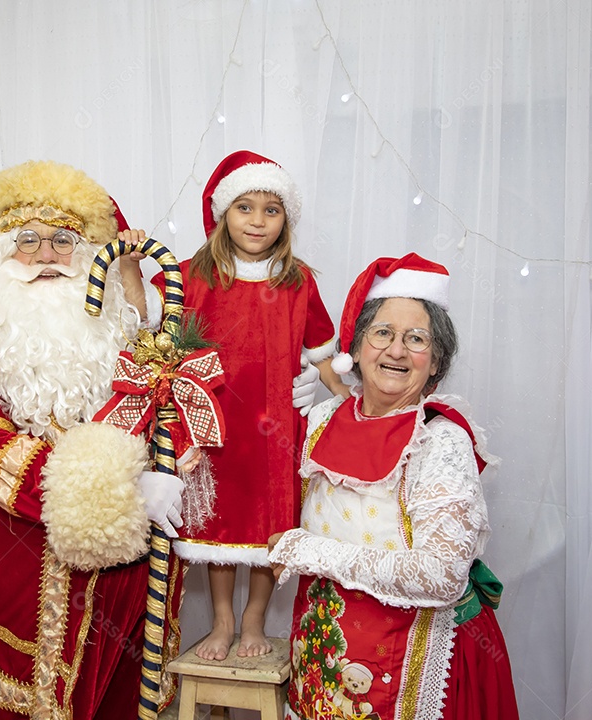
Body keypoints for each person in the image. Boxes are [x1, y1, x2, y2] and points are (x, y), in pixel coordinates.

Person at [0, 160, 186, 719]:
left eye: (64, 240)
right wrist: (124, 492)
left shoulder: (120, 336)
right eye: (28, 239)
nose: (47, 255)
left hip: (121, 583)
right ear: (0, 253)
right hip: (19, 577)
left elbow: (161, 417)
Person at [267, 254, 519, 719]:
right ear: (357, 347)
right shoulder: (322, 420)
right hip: (326, 660)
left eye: (416, 339)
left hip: (414, 666)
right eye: (382, 333)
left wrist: (312, 552)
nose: (396, 351)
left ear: (436, 360)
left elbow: (441, 576)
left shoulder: (440, 440)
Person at [122, 150, 347, 661]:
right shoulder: (192, 276)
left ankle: (254, 619)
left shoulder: (298, 279)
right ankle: (223, 618)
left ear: (286, 218)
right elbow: (141, 322)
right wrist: (133, 267)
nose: (258, 220)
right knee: (219, 521)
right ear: (224, 213)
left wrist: (351, 404)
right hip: (214, 422)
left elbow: (324, 357)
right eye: (245, 207)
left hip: (277, 424)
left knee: (271, 522)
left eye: (272, 209)